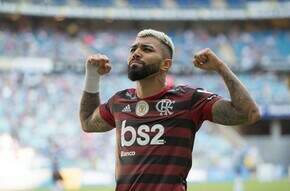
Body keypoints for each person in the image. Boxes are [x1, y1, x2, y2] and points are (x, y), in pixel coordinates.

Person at [79, 29, 261, 191]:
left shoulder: (189, 99)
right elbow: (87, 123)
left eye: (146, 49)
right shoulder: (119, 101)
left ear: (165, 65)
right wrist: (92, 76)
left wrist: (220, 68)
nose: (136, 53)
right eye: (133, 49)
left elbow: (248, 113)